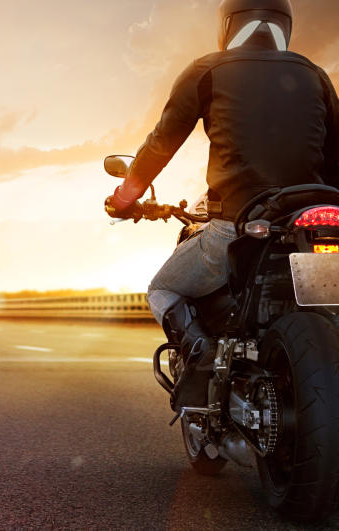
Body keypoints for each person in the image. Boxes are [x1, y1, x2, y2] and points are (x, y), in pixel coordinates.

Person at [104, 0, 339, 411]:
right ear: (286, 25)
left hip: (239, 223)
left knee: (163, 288)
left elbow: (161, 142)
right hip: (313, 226)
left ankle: (200, 353)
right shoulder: (315, 75)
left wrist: (125, 199)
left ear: (228, 25)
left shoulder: (207, 70)